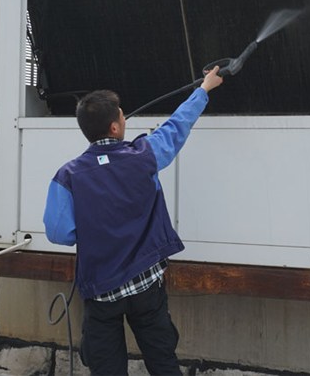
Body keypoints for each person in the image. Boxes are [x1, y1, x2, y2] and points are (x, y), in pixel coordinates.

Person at [43, 67, 223, 375]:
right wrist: (204, 89)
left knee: (107, 368)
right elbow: (176, 126)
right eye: (123, 116)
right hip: (146, 286)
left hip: (102, 292)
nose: (126, 120)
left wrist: (94, 229)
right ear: (114, 127)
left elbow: (59, 233)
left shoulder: (68, 176)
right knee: (163, 361)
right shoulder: (144, 155)